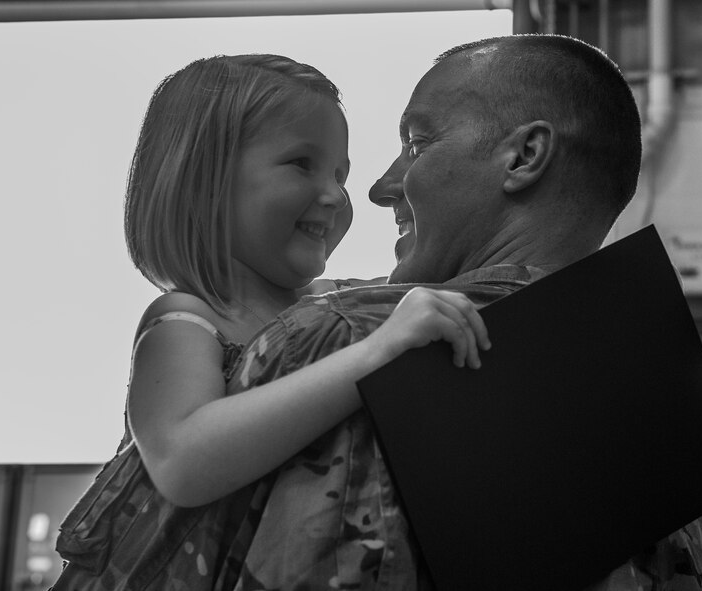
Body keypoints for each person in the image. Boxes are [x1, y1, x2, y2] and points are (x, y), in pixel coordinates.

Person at [217, 35, 702, 589]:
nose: (379, 188)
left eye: (418, 144)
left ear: (524, 157)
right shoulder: (670, 410)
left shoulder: (346, 342)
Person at [53, 53, 489, 590]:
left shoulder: (336, 304)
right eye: (302, 165)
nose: (334, 195)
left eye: (340, 174)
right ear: (204, 182)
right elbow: (182, 460)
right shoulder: (184, 321)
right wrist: (376, 354)